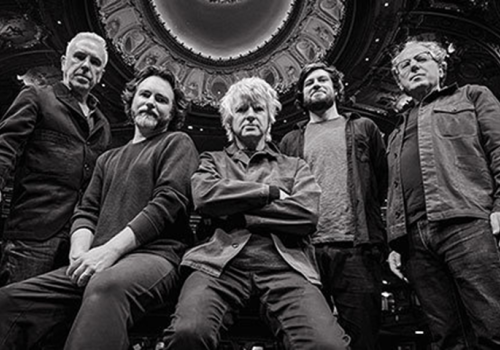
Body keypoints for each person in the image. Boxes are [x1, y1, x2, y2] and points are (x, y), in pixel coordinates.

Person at [0, 66, 199, 350]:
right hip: (99, 259)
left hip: (156, 256)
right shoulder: (108, 159)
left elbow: (167, 204)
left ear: (172, 112)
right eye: (144, 94)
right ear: (131, 101)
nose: (150, 102)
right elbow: (86, 212)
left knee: (105, 287)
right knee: (8, 302)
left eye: (161, 99)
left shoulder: (177, 143)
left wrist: (109, 251)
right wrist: (80, 255)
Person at [161, 77, 349, 350]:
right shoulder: (212, 160)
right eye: (241, 110)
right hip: (216, 265)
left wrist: (239, 213)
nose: (250, 115)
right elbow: (205, 197)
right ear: (229, 121)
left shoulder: (295, 166)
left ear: (270, 118)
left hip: (285, 266)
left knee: (327, 345)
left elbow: (307, 214)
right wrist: (269, 192)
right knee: (188, 333)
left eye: (258, 109)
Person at [386, 38, 500, 349]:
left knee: (492, 325)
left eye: (421, 59)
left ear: (441, 66)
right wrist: (396, 242)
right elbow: (396, 189)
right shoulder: (395, 130)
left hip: (467, 222)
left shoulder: (472, 96)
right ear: (399, 80)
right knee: (447, 337)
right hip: (414, 241)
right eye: (404, 65)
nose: (413, 66)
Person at [280, 62, 388, 350]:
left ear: (336, 89)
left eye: (323, 80)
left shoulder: (364, 128)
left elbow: (380, 180)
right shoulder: (290, 141)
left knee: (363, 336)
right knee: (305, 338)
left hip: (357, 248)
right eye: (309, 83)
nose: (316, 85)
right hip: (303, 252)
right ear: (301, 96)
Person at [0, 32, 112, 285]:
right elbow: (5, 146)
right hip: (33, 233)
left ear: (101, 74)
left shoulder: (102, 124)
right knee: (13, 313)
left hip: (79, 240)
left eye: (95, 62)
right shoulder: (37, 97)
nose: (85, 65)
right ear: (64, 62)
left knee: (57, 320)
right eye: (79, 57)